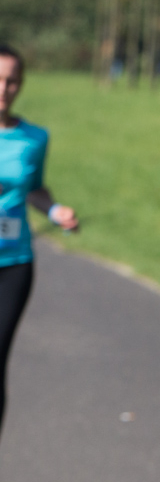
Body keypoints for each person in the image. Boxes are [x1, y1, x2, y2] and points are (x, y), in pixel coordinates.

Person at [0, 44, 79, 452]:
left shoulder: (33, 138)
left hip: (13, 262)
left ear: (22, 85)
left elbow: (34, 190)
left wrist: (56, 211)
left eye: (12, 80)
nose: (4, 88)